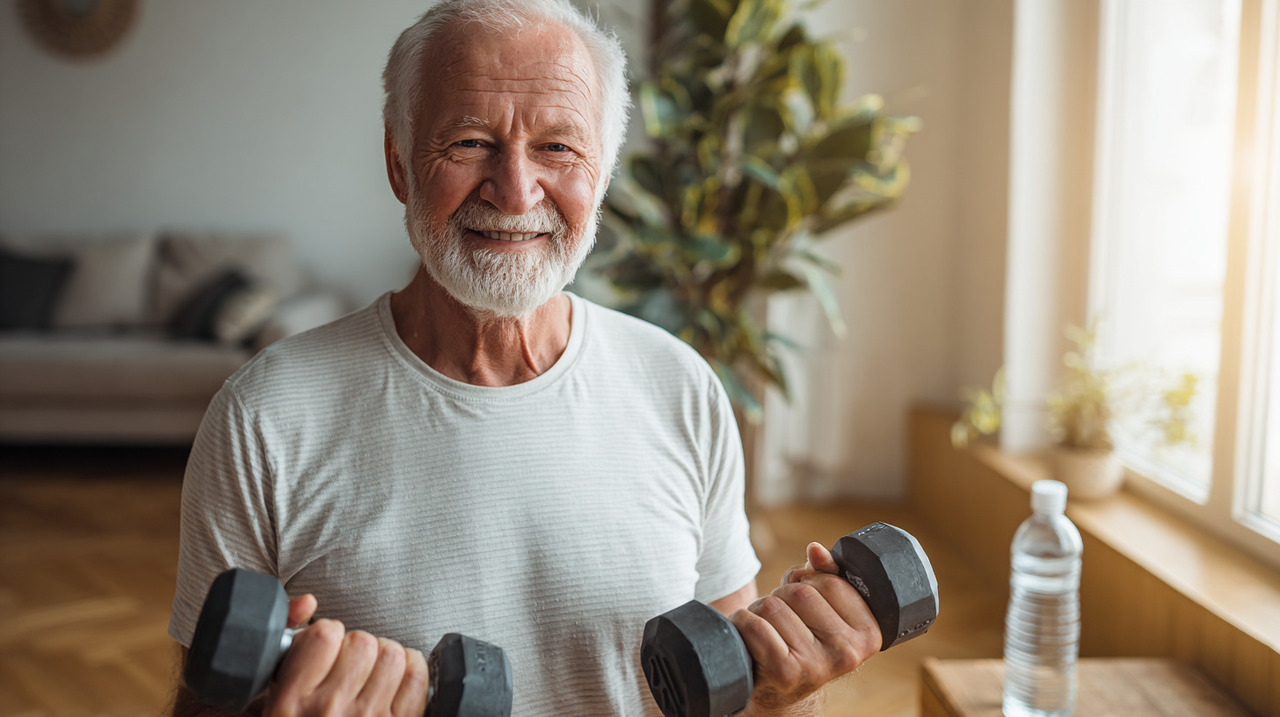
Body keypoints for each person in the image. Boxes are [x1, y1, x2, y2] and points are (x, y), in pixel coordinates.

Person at [167, 1, 882, 715]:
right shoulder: (264, 415)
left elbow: (744, 695)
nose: (514, 191)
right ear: (398, 163)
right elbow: (202, 702)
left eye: (558, 147)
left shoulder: (680, 386)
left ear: (601, 174)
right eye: (471, 142)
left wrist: (791, 695)